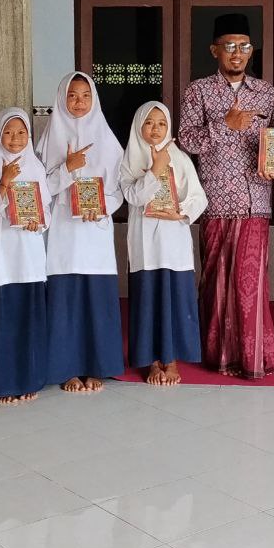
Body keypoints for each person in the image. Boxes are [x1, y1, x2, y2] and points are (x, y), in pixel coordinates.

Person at [177, 13, 274, 379]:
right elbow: (187, 140)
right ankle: (218, 356)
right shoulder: (198, 91)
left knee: (251, 283)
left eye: (244, 46)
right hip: (217, 200)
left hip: (256, 200)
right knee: (217, 282)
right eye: (230, 46)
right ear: (215, 50)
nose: (237, 53)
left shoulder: (266, 93)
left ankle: (254, 358)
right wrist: (225, 124)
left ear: (251, 51)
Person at [37, 72, 126, 394]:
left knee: (96, 299)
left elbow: (119, 190)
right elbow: (40, 189)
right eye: (72, 96)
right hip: (63, 232)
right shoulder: (49, 139)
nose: (79, 102)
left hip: (94, 231)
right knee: (65, 299)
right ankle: (67, 368)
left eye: (85, 96)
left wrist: (102, 207)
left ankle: (97, 366)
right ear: (62, 98)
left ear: (94, 99)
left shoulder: (107, 139)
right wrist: (67, 168)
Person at [120, 101, 208, 386]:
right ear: (138, 126)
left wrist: (180, 212)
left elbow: (199, 197)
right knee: (148, 299)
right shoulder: (130, 158)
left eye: (161, 123)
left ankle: (170, 359)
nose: (155, 129)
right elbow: (133, 196)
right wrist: (155, 170)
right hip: (145, 244)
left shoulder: (179, 158)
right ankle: (151, 361)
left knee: (174, 298)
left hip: (173, 241)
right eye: (149, 123)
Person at [0, 108, 50, 405]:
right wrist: (4, 182)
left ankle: (29, 380)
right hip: (4, 259)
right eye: (8, 132)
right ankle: (2, 384)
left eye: (21, 132)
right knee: (4, 322)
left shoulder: (36, 167)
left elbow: (46, 211)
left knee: (29, 322)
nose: (15, 138)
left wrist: (38, 222)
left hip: (30, 258)